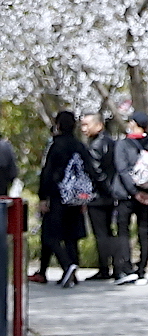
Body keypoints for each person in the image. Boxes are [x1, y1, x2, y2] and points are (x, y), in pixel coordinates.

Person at [37, 111, 96, 287]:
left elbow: (47, 172)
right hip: (76, 197)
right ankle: (72, 273)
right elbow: (90, 170)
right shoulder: (80, 146)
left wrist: (43, 196)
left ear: (58, 125)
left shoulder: (56, 145)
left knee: (50, 235)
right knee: (71, 236)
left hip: (57, 195)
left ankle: (67, 264)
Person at [112, 111, 148, 283]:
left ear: (134, 123)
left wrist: (135, 193)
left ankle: (126, 268)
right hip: (147, 197)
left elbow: (122, 170)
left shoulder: (123, 145)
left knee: (123, 231)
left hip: (126, 195)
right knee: (143, 231)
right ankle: (142, 269)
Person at [79, 114, 122, 281]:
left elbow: (95, 171)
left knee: (101, 233)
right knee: (109, 231)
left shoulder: (96, 145)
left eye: (86, 125)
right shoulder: (111, 142)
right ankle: (114, 266)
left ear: (99, 126)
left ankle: (104, 267)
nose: (83, 129)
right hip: (111, 193)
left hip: (99, 196)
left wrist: (105, 189)